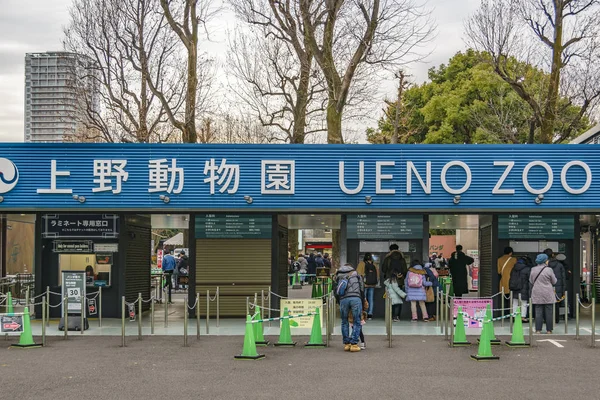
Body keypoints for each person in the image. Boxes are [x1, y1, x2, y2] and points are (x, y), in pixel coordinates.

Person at [334, 263, 365, 352]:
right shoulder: (357, 275)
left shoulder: (338, 276)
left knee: (344, 321)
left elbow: (335, 291)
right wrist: (362, 302)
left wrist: (339, 302)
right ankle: (354, 344)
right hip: (356, 298)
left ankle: (346, 344)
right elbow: (362, 289)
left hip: (343, 300)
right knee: (356, 321)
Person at [530, 253, 557, 334]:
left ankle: (538, 330)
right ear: (545, 261)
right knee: (549, 311)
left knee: (538, 311)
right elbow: (554, 281)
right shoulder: (549, 270)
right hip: (547, 292)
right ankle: (549, 330)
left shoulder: (533, 269)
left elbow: (531, 281)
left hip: (537, 291)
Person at [543, 248, 566, 323]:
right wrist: (563, 289)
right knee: (556, 304)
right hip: (557, 287)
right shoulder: (559, 265)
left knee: (546, 304)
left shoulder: (543, 266)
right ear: (552, 255)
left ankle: (547, 320)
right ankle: (556, 319)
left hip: (546, 287)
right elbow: (563, 278)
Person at [509, 255, 532, 322]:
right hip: (524, 288)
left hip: (514, 288)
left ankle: (514, 316)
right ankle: (522, 317)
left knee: (515, 302)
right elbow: (529, 279)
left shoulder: (514, 268)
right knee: (524, 303)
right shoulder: (527, 269)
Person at [362, 253, 379, 320]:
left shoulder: (362, 264)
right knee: (371, 299)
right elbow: (377, 275)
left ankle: (364, 313)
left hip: (365, 284)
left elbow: (358, 273)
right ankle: (370, 314)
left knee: (364, 299)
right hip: (372, 284)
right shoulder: (374, 265)